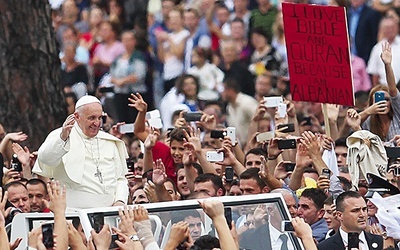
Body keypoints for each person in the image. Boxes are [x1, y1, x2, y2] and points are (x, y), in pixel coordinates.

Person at [33, 95, 128, 208]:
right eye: (91, 118)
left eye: (99, 118)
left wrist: (120, 201)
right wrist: (63, 138)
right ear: (77, 116)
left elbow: (120, 178)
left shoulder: (109, 141)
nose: (97, 123)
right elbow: (45, 159)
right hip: (74, 214)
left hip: (109, 215)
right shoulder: (61, 135)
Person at [317, 191, 384, 250]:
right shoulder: (324, 247)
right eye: (355, 210)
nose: (362, 215)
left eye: (364, 209)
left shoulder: (380, 242)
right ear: (340, 215)